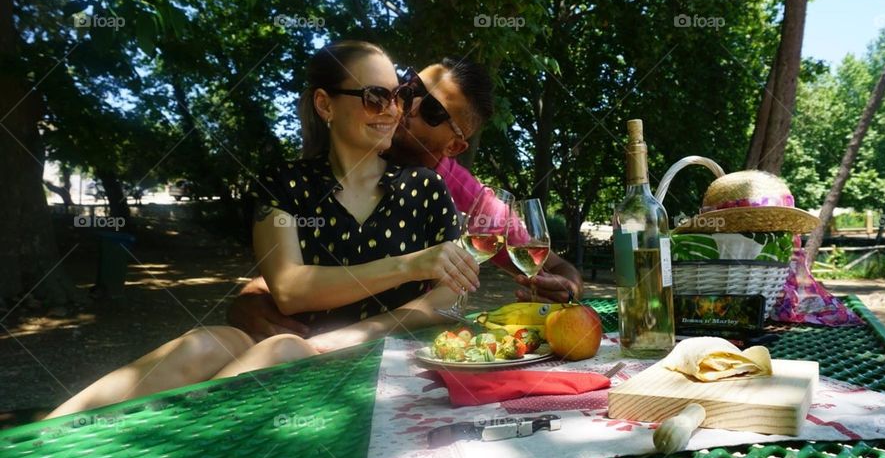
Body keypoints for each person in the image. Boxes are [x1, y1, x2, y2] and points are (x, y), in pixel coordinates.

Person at [46, 40, 476, 418]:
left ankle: (159, 454)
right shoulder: (285, 182)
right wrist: (408, 266)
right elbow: (290, 290)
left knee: (282, 349)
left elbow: (453, 292)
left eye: (396, 98)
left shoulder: (425, 185)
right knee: (207, 343)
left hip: (354, 355)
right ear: (326, 105)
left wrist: (348, 336)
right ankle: (39, 447)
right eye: (376, 97)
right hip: (290, 344)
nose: (393, 111)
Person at [229, 57, 584, 340]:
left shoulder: (458, 192)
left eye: (432, 111)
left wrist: (567, 287)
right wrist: (251, 299)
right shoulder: (343, 144)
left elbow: (551, 264)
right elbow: (307, 256)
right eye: (409, 88)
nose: (408, 107)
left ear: (454, 146)